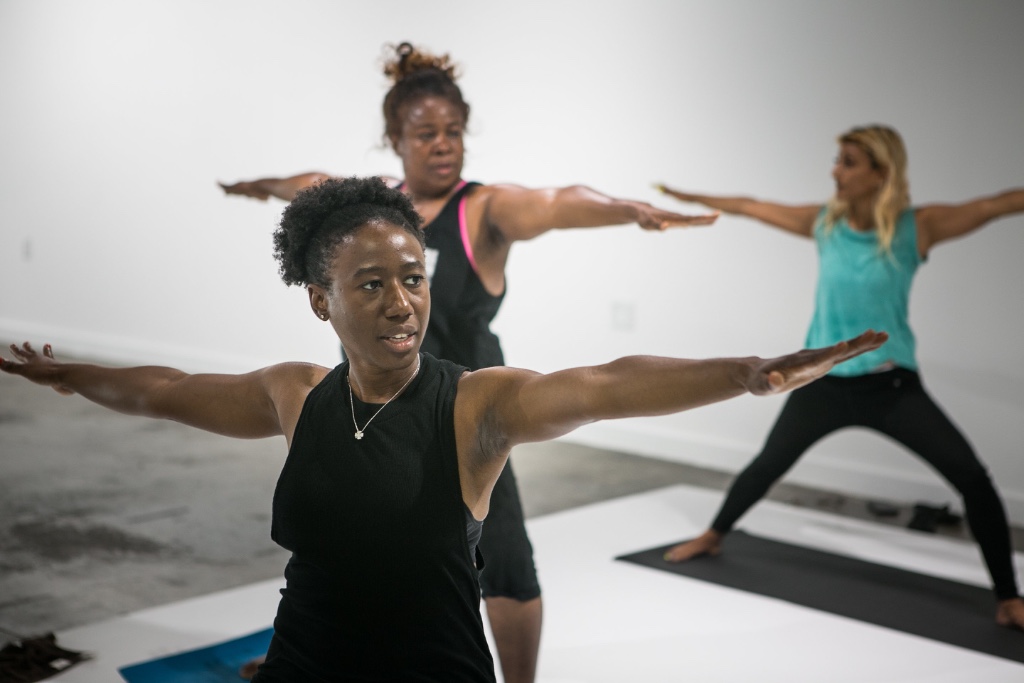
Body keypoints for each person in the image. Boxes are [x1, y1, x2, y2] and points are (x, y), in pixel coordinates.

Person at [0, 176, 885, 682]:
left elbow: (604, 386)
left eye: (413, 277)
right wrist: (70, 375)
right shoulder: (293, 394)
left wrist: (744, 375)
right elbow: (166, 390)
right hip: (303, 665)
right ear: (321, 299)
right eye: (372, 283)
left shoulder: (476, 406)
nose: (402, 302)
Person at [219, 42, 717, 683]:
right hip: (373, 397)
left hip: (467, 404)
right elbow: (303, 185)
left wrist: (627, 210)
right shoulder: (374, 211)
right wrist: (253, 188)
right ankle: (312, 646)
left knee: (502, 554)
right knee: (344, 534)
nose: (442, 144)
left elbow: (557, 201)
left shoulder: (483, 208)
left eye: (453, 132)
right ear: (395, 139)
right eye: (425, 133)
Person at [655, 124, 1024, 630]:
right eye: (838, 159)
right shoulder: (825, 224)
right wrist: (685, 196)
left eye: (848, 161)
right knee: (767, 465)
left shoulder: (920, 226)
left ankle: (1008, 597)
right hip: (821, 384)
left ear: (881, 172)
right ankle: (714, 534)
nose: (835, 169)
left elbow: (998, 204)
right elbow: (750, 205)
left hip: (891, 388)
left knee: (974, 481)